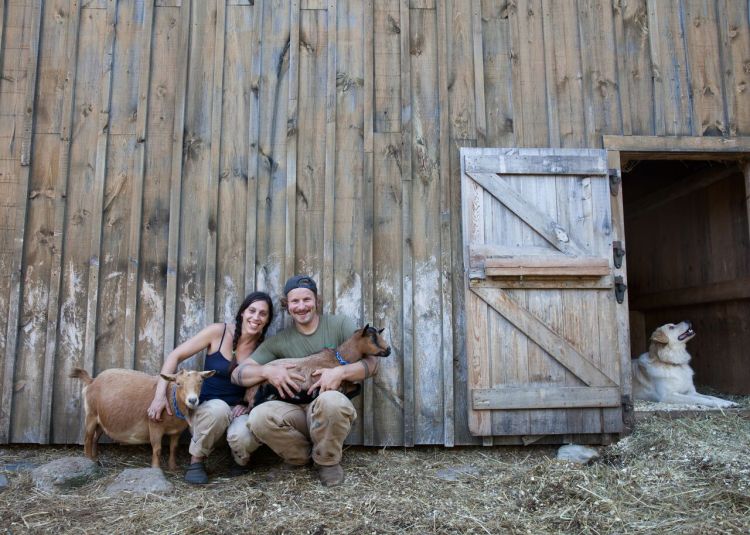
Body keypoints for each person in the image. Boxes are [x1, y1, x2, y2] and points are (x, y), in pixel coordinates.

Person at [231, 275, 380, 486]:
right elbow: (238, 374)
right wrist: (267, 372)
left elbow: (372, 364)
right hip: (293, 412)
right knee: (258, 416)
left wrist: (340, 373)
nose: (301, 306)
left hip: (323, 409)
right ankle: (299, 457)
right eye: (295, 301)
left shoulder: (340, 325)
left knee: (333, 401)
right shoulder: (279, 340)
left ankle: (327, 462)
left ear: (316, 301)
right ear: (287, 305)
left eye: (307, 300)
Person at [147, 291, 281, 484]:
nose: (256, 317)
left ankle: (240, 461)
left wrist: (247, 405)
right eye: (252, 310)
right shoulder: (218, 332)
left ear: (267, 320)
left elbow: (264, 385)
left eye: (263, 314)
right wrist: (160, 396)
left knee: (242, 433)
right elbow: (175, 356)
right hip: (207, 409)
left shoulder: (265, 348)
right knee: (218, 410)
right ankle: (197, 461)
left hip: (237, 411)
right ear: (242, 312)